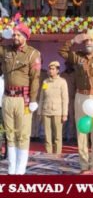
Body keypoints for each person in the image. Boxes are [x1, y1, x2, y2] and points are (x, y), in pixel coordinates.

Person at [58, 30, 93, 172]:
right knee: (81, 130)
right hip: (80, 96)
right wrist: (74, 40)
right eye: (86, 41)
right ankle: (83, 163)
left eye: (91, 40)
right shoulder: (78, 57)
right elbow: (62, 51)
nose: (88, 43)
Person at [0, 20, 41, 174]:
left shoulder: (33, 54)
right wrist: (2, 34)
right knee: (10, 134)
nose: (15, 37)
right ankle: (12, 168)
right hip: (7, 98)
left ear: (25, 36)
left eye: (18, 34)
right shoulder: (6, 51)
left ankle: (20, 170)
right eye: (14, 34)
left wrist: (33, 99)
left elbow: (35, 79)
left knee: (22, 134)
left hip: (23, 99)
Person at [38, 61, 68, 155]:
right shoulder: (45, 81)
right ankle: (48, 154)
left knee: (58, 136)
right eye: (50, 69)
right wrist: (39, 112)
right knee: (47, 136)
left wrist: (64, 114)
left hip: (58, 112)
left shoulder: (62, 82)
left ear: (58, 70)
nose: (50, 71)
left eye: (53, 69)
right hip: (46, 111)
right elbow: (41, 97)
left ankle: (57, 155)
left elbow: (65, 99)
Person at [61, 61, 76, 143]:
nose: (68, 65)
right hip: (63, 99)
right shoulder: (62, 75)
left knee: (72, 119)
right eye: (67, 64)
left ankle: (71, 136)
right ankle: (62, 136)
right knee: (63, 118)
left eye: (70, 63)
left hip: (73, 98)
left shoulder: (76, 74)